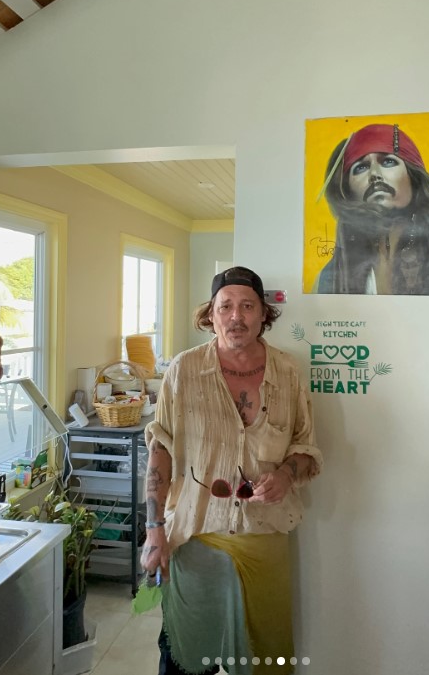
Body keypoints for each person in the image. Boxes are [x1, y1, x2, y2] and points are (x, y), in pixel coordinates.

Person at [141, 266, 322, 675]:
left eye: (247, 306)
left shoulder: (288, 373)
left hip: (264, 536)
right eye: (226, 307)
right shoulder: (183, 371)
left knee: (266, 660)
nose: (236, 316)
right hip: (195, 534)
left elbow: (307, 448)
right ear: (211, 315)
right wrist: (154, 530)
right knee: (185, 660)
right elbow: (161, 451)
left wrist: (286, 475)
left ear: (263, 314)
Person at [314, 123, 429, 295]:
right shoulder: (329, 280)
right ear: (348, 192)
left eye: (388, 161)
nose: (375, 173)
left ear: (414, 178)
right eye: (361, 167)